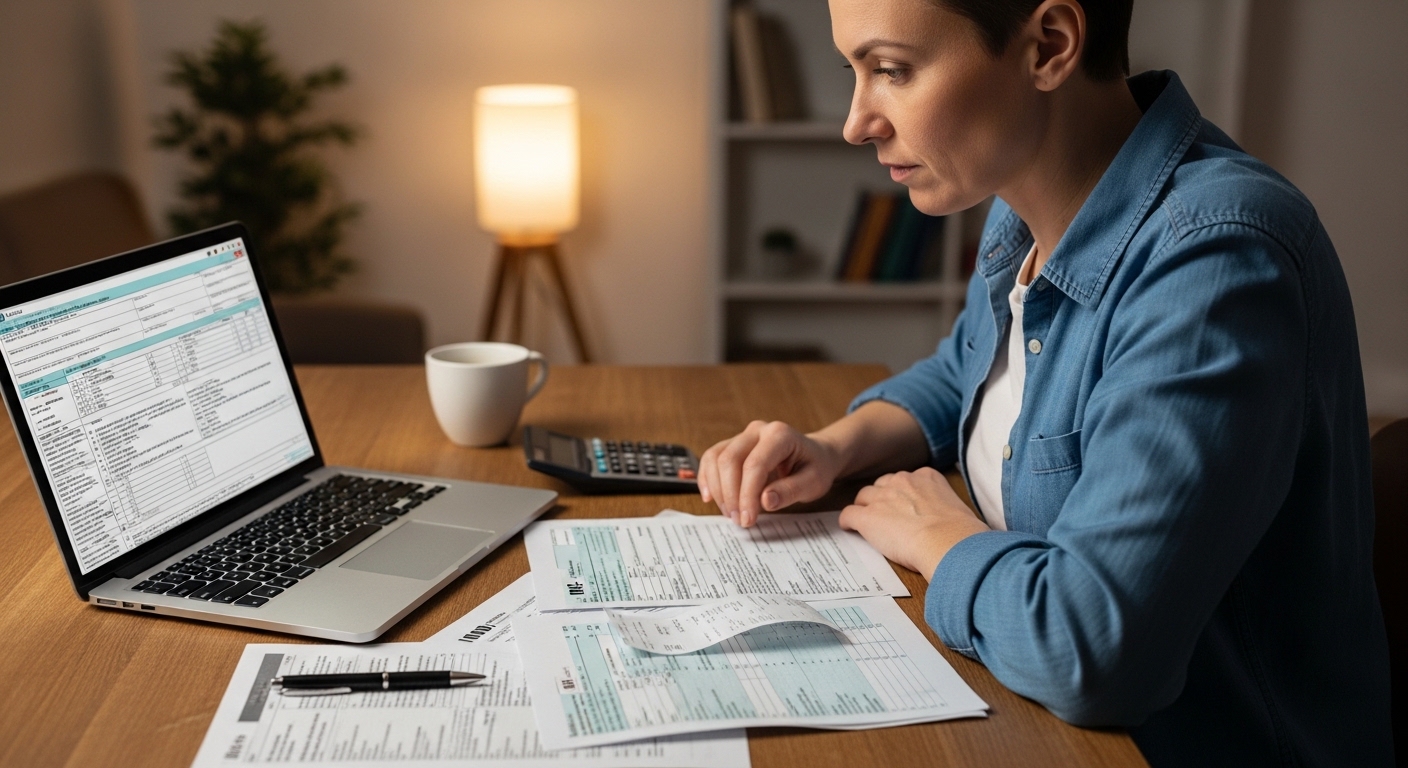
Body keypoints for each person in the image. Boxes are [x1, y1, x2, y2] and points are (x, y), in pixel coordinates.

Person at [696, 0, 1395, 765]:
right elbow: (972, 367)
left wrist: (941, 538)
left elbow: (1093, 651)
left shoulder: (1216, 263)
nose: (857, 122)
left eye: (891, 70)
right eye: (854, 72)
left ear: (1050, 46)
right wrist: (834, 447)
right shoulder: (1028, 202)